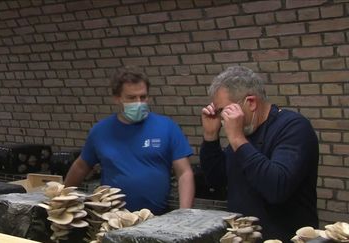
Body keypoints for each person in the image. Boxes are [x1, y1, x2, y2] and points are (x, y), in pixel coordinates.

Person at [200, 66, 318, 241]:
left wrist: (238, 139)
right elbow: (217, 181)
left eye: (223, 110)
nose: (222, 119)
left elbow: (276, 188)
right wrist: (210, 138)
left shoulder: (293, 127)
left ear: (251, 103)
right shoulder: (245, 132)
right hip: (244, 237)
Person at [64, 66, 195, 215]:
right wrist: (62, 198)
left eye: (143, 97)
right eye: (131, 98)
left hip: (156, 218)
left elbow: (184, 173)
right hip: (111, 216)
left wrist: (185, 214)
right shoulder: (100, 131)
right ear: (117, 98)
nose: (139, 103)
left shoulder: (167, 127)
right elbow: (81, 166)